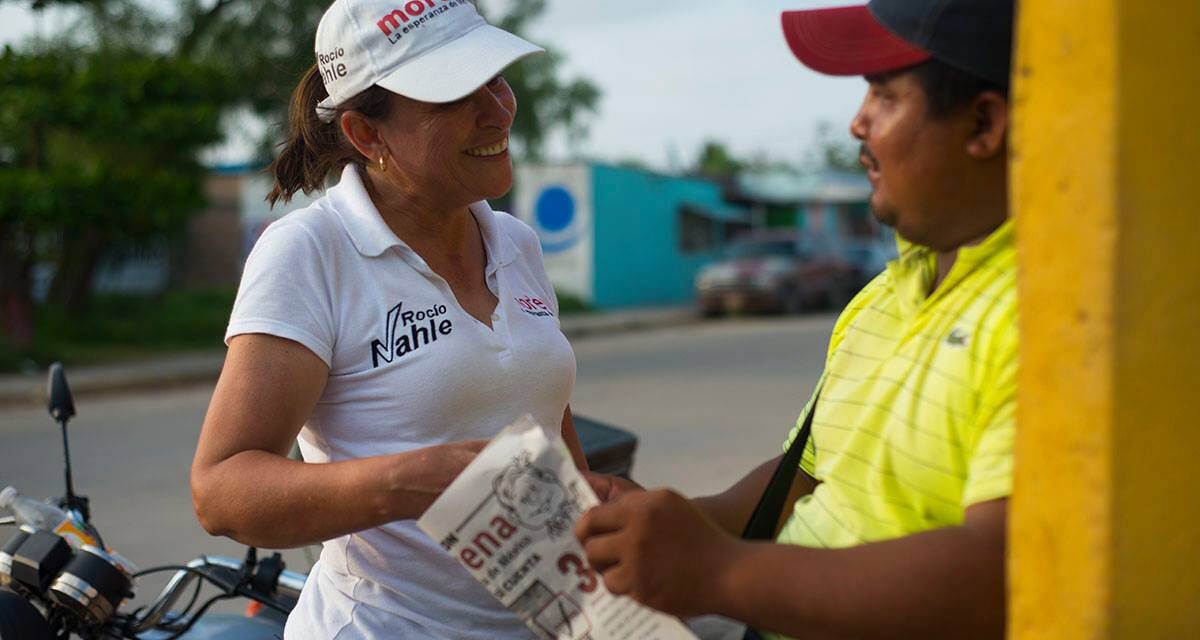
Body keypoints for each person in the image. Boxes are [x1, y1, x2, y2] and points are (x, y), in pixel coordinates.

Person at [576, 1, 1016, 638]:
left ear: (982, 124)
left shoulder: (1040, 316)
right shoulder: (879, 300)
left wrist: (720, 574)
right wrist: (660, 529)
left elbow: (993, 575)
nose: (856, 124)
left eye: (885, 96)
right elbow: (800, 484)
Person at [189, 0, 595, 637]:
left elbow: (543, 422)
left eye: (495, 78)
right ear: (366, 134)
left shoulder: (516, 242)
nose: (498, 109)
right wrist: (407, 481)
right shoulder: (310, 253)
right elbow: (221, 491)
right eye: (456, 93)